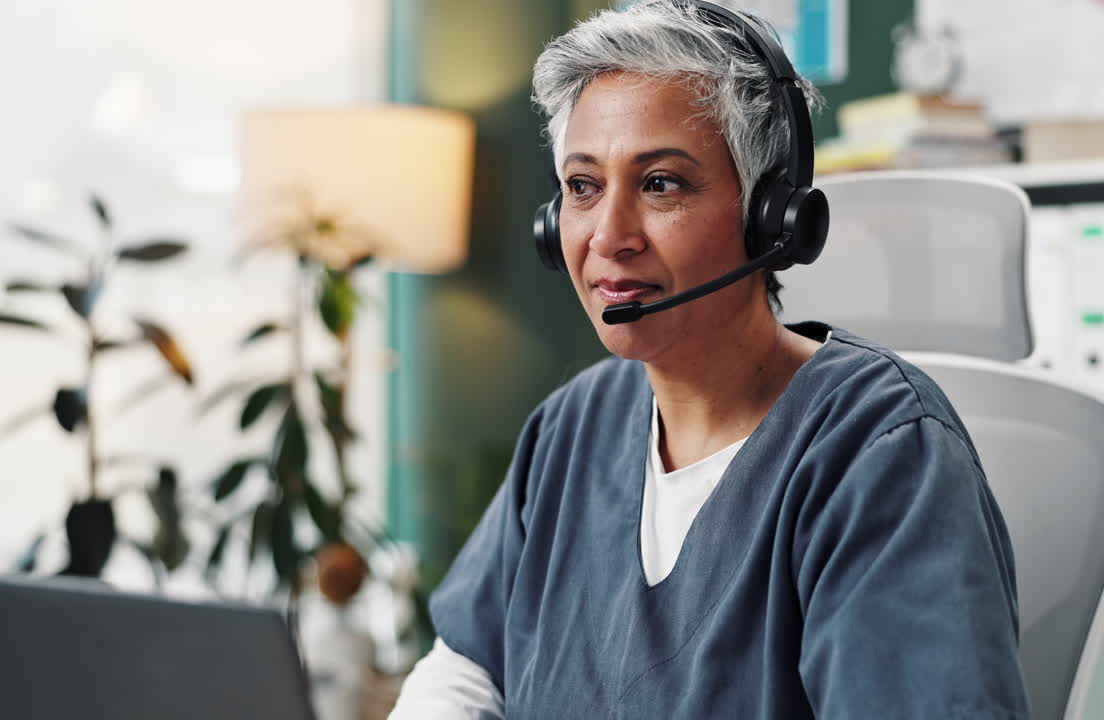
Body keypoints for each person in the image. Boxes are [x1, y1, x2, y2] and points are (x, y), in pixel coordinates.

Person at [389, 2, 1030, 718]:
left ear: (770, 217)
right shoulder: (571, 429)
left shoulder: (880, 454)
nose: (609, 235)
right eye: (582, 187)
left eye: (661, 183)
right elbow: (466, 670)